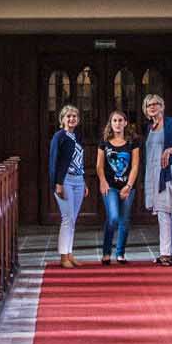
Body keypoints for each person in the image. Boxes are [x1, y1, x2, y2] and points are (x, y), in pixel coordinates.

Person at [141, 92, 172, 265]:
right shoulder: (149, 128)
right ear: (146, 110)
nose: (152, 107)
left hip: (168, 174)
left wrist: (169, 150)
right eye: (149, 105)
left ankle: (164, 254)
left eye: (155, 104)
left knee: (164, 212)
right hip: (152, 174)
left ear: (162, 106)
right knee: (165, 213)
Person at [96, 109, 140, 265]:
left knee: (124, 220)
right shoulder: (104, 141)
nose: (117, 123)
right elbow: (99, 166)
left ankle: (120, 253)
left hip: (128, 186)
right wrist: (102, 181)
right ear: (111, 123)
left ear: (126, 123)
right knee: (113, 217)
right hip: (110, 186)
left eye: (120, 120)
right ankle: (106, 251)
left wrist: (128, 186)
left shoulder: (133, 141)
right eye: (114, 120)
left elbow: (135, 166)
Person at [48, 102, 87, 268]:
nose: (72, 119)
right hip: (65, 181)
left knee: (73, 219)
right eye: (68, 116)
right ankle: (63, 257)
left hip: (78, 180)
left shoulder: (78, 137)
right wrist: (57, 183)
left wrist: (84, 182)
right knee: (67, 218)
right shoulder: (59, 137)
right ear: (62, 119)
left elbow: (80, 161)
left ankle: (70, 254)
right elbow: (53, 161)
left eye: (74, 116)